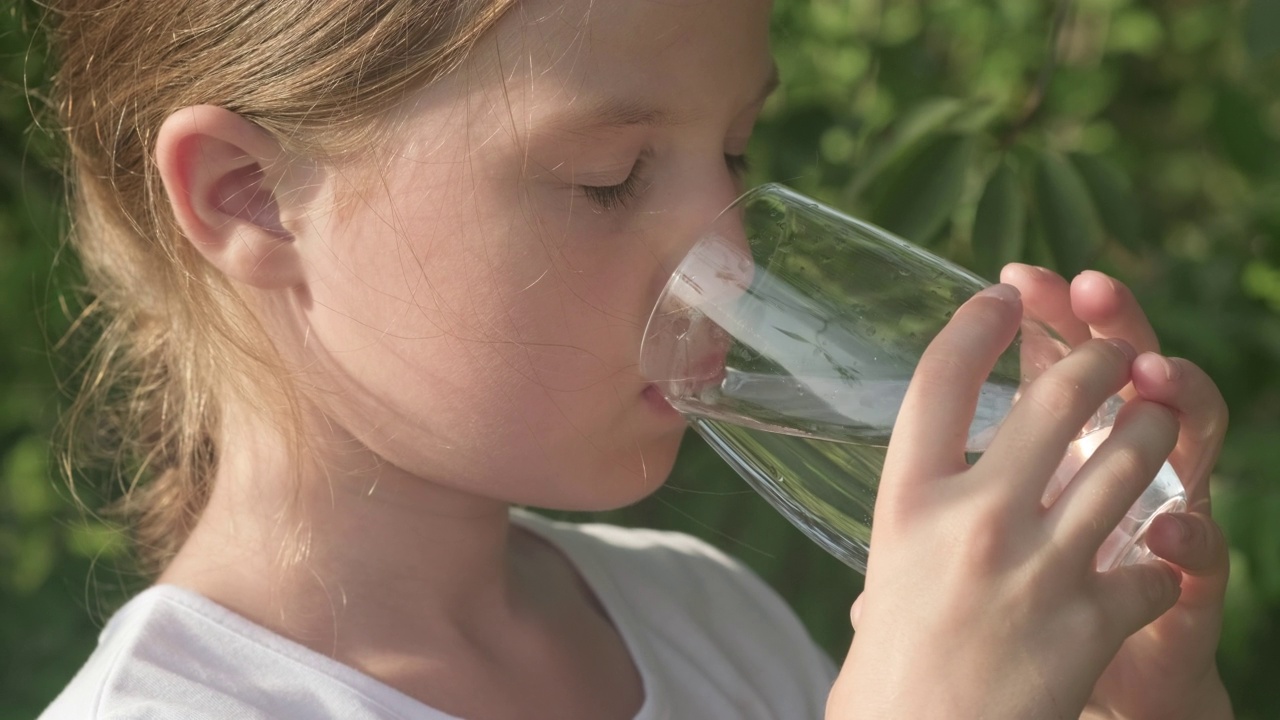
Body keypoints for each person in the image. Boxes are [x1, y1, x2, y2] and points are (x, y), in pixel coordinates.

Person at [37, 0, 1232, 718]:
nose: (732, 263)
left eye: (735, 149)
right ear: (253, 197)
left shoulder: (700, 615)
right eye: (607, 181)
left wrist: (1123, 703)